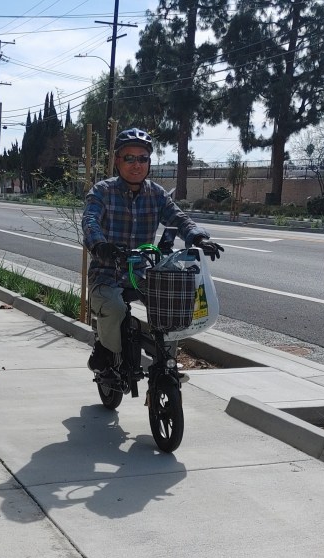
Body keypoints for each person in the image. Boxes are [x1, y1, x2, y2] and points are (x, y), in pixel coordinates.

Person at [81, 127, 223, 376]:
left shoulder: (156, 194)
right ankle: (104, 348)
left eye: (143, 158)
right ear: (117, 161)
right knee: (114, 307)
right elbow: (90, 221)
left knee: (176, 304)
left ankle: (166, 360)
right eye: (129, 158)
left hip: (143, 271)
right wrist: (101, 247)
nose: (136, 165)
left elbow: (179, 219)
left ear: (149, 162)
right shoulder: (102, 192)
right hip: (107, 271)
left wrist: (198, 237)